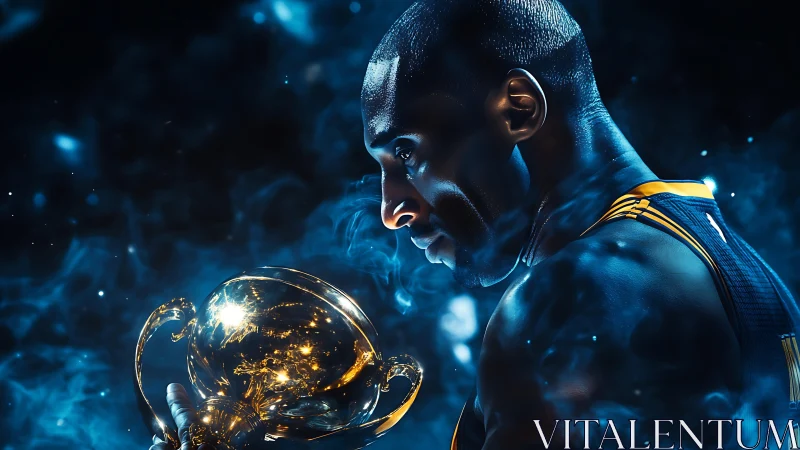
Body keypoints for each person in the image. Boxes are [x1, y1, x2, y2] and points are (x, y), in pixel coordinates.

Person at [153, 0, 800, 448]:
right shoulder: (741, 269)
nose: (392, 209)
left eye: (406, 153)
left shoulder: (569, 298)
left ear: (518, 109)